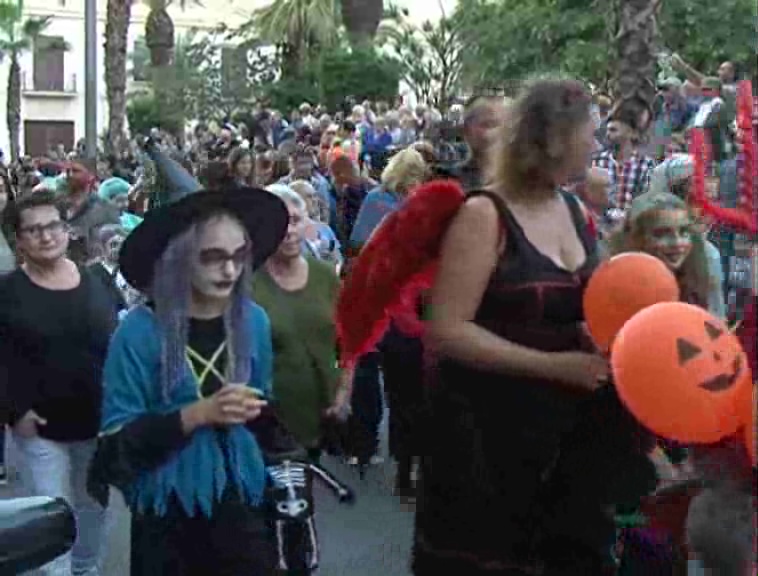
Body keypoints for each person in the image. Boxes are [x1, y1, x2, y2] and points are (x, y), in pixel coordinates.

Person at [412, 79, 615, 576]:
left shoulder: (573, 209)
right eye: (590, 133)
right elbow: (447, 329)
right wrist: (553, 366)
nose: (597, 144)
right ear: (552, 137)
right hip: (485, 442)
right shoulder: (484, 214)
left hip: (565, 439)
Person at [88, 165, 290, 574]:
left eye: (238, 257)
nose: (230, 271)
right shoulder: (139, 333)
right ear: (178, 259)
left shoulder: (254, 321)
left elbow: (264, 409)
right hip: (169, 517)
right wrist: (197, 414)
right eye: (213, 258)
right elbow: (115, 449)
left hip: (245, 502)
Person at [0, 191, 118, 575]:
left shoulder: (98, 280)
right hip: (39, 430)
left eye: (52, 226)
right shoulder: (7, 292)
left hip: (97, 423)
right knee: (50, 519)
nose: (46, 236)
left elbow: (119, 342)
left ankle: (86, 570)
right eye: (33, 230)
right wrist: (15, 411)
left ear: (67, 231)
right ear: (18, 239)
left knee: (93, 509)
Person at [252, 185, 352, 464]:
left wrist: (344, 392)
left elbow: (349, 340)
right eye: (279, 223)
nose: (289, 231)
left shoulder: (325, 277)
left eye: (295, 220)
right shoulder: (247, 284)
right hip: (270, 430)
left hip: (324, 418)